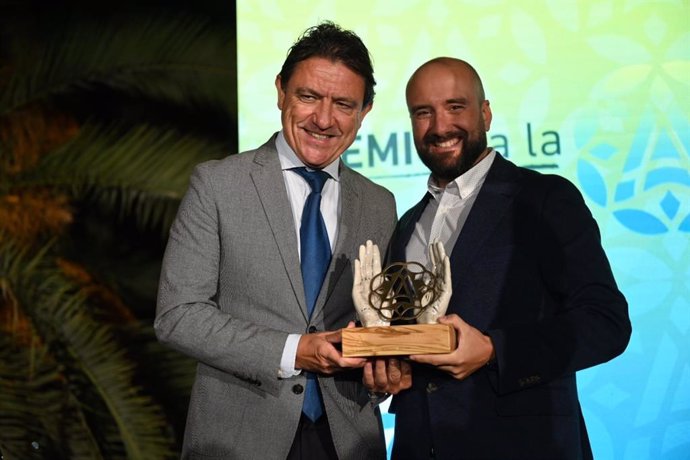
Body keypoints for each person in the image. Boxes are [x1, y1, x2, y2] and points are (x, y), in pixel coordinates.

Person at [367, 57, 632, 459]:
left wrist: (495, 350)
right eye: (424, 113)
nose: (440, 126)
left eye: (456, 107)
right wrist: (389, 368)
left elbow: (606, 323)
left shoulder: (544, 199)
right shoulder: (407, 225)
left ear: (486, 113)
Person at [155, 22, 398, 460]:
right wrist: (294, 351)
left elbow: (380, 322)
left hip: (349, 439)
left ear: (365, 111)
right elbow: (178, 315)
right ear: (281, 91)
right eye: (308, 97)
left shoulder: (380, 204)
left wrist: (387, 367)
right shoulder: (217, 184)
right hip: (239, 438)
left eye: (343, 104)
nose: (323, 119)